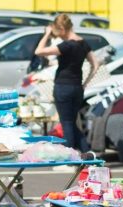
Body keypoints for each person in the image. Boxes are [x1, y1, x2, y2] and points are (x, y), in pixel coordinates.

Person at [34, 14, 100, 151]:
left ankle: (70, 156)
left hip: (63, 87)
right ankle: (87, 153)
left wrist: (46, 34)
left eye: (57, 32)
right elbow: (96, 64)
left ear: (62, 29)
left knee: (66, 123)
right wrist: (85, 83)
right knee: (71, 123)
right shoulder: (83, 43)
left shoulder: (66, 45)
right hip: (77, 87)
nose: (57, 36)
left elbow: (38, 51)